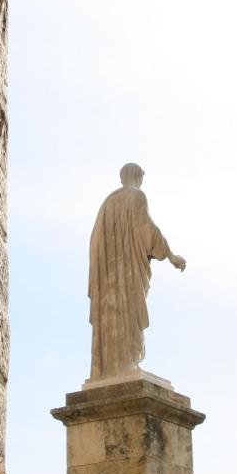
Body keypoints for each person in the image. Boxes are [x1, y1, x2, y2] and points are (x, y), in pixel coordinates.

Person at [88, 162, 186, 381]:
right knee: (129, 314)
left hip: (107, 278)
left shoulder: (107, 203)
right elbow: (148, 230)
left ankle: (109, 368)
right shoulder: (137, 197)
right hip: (127, 275)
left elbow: (94, 241)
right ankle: (127, 365)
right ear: (137, 176)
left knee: (111, 317)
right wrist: (171, 256)